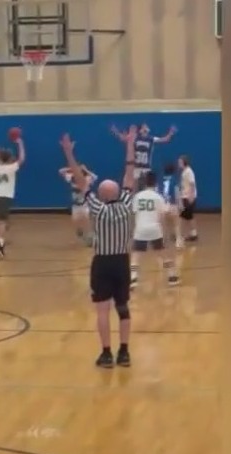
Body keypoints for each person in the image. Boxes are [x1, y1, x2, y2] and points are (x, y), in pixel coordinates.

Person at [61, 126, 136, 368]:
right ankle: (124, 352)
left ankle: (106, 353)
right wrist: (129, 144)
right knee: (123, 308)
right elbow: (130, 173)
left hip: (102, 263)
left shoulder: (96, 207)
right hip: (122, 261)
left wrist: (69, 154)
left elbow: (81, 182)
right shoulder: (126, 204)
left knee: (102, 311)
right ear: (118, 193)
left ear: (102, 195)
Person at [130, 171, 181, 288]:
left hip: (140, 229)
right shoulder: (158, 197)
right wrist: (165, 233)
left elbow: (134, 214)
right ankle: (172, 277)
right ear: (155, 183)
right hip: (155, 229)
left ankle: (133, 278)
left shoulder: (137, 196)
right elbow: (163, 216)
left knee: (136, 255)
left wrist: (133, 231)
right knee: (163, 254)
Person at [0, 137, 25, 257]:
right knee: (2, 221)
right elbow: (21, 158)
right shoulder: (11, 167)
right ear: (10, 158)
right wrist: (20, 144)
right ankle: (0, 242)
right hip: (5, 197)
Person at [111, 123, 176, 188]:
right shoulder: (135, 138)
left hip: (146, 167)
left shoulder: (151, 139)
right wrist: (116, 131)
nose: (146, 129)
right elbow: (123, 138)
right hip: (136, 167)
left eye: (146, 127)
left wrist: (170, 133)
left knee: (147, 185)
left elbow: (165, 139)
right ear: (140, 130)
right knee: (134, 185)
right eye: (144, 127)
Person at [58, 163, 98, 246]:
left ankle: (91, 237)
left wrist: (86, 170)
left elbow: (95, 177)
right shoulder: (72, 178)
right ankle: (81, 232)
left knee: (88, 220)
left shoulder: (87, 179)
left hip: (85, 204)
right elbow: (61, 171)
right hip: (76, 206)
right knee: (76, 221)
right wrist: (72, 168)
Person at [161, 162, 185, 249]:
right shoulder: (175, 180)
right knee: (177, 225)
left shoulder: (162, 180)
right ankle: (178, 243)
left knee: (163, 226)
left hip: (163, 205)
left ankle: (162, 242)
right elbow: (177, 193)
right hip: (173, 204)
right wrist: (180, 205)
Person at [178, 155, 198, 241]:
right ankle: (192, 234)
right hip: (185, 197)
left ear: (184, 162)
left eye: (180, 162)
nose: (178, 164)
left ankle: (181, 234)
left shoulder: (188, 172)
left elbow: (192, 184)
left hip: (188, 198)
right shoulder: (185, 171)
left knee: (184, 216)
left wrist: (191, 197)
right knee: (187, 216)